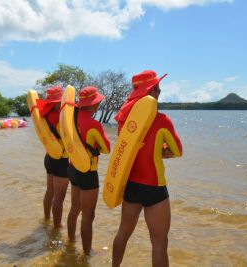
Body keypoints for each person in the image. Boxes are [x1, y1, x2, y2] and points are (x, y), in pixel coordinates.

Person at [112, 70, 183, 267]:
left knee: (123, 233)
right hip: (154, 187)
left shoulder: (123, 120)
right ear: (151, 93)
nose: (159, 93)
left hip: (131, 185)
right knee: (159, 244)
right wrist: (161, 151)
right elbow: (178, 150)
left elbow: (126, 150)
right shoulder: (162, 120)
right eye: (157, 90)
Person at [67, 86, 111, 254]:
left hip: (72, 168)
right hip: (88, 173)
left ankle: (70, 242)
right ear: (92, 104)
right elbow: (106, 148)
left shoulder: (70, 119)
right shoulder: (94, 124)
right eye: (98, 102)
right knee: (88, 215)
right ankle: (87, 253)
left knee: (74, 208)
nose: (98, 105)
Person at [36, 86, 69, 228]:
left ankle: (46, 219)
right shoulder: (60, 116)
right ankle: (57, 227)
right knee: (59, 197)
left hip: (49, 157)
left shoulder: (44, 115)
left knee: (49, 191)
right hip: (61, 159)